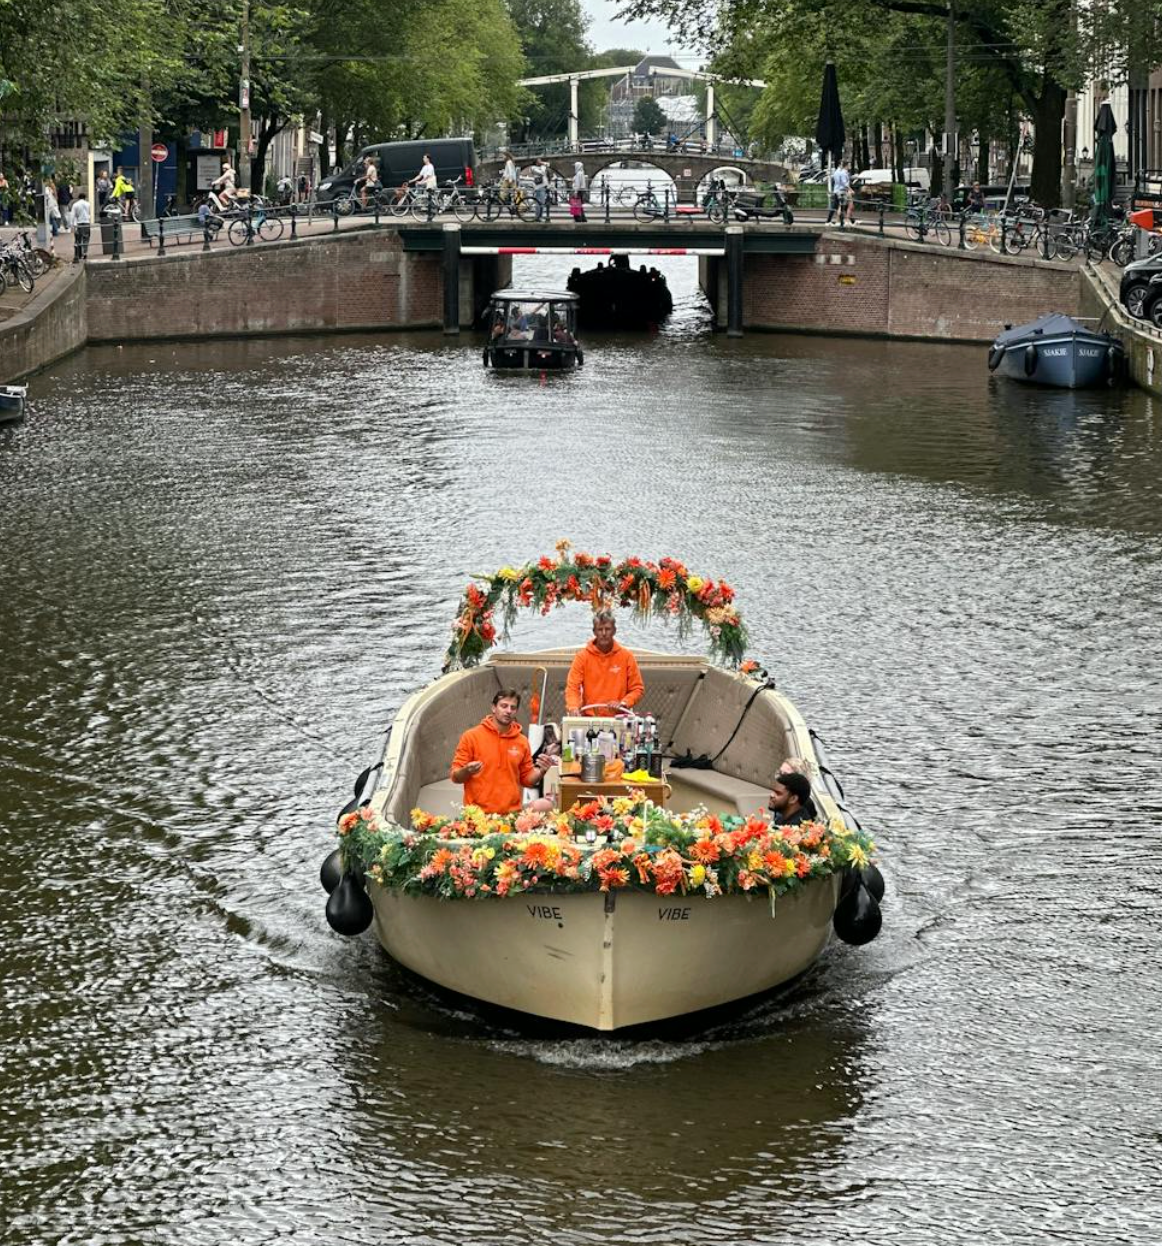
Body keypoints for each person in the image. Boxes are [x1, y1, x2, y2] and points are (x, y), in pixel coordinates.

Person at [450, 689, 556, 814]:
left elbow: (527, 780)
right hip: (477, 816)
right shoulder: (471, 737)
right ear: (493, 708)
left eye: (513, 708)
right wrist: (466, 770)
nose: (508, 711)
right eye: (504, 706)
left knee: (546, 805)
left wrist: (542, 771)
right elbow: (455, 777)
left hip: (510, 815)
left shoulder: (522, 741)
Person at [565, 610, 645, 717]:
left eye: (607, 629)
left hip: (619, 718)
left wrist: (623, 703)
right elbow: (573, 687)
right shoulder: (582, 657)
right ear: (594, 632)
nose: (603, 633)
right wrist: (573, 707)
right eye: (600, 629)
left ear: (614, 631)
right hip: (589, 718)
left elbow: (637, 688)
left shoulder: (627, 656)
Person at [70, 190, 91, 262]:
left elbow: (72, 215)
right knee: (86, 238)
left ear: (78, 198)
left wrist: (72, 225)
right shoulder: (88, 204)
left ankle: (79, 254)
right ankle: (85, 252)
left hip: (78, 223)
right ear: (85, 198)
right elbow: (89, 214)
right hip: (86, 222)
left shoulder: (75, 205)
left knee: (78, 238)